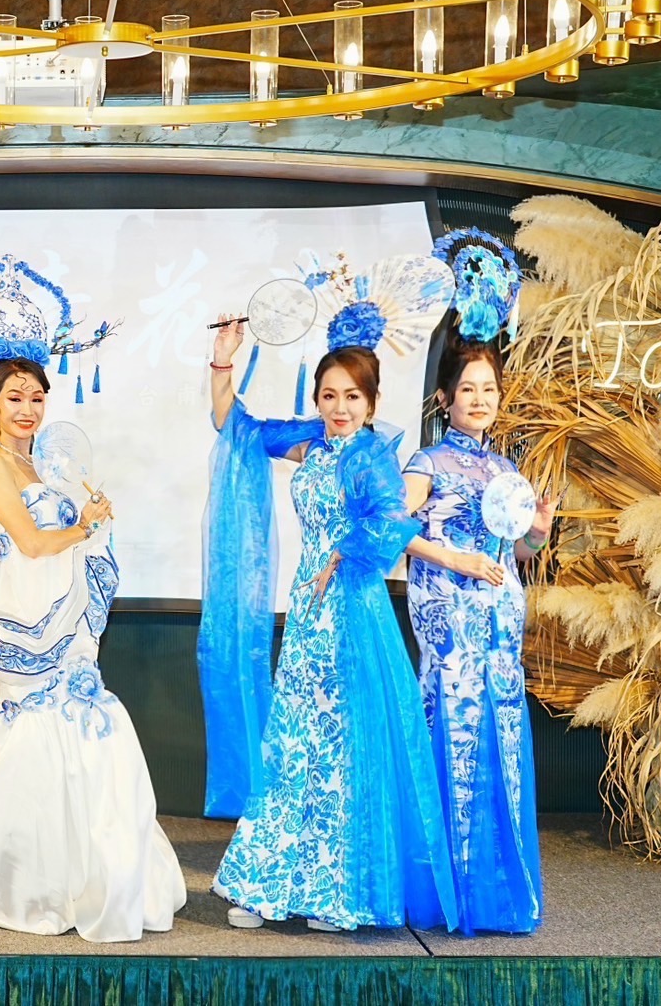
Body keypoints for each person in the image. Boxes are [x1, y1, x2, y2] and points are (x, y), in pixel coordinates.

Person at [208, 319, 458, 933]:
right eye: (329, 395)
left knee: (342, 747)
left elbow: (392, 519)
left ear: (372, 401)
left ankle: (335, 890)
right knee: (293, 742)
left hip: (351, 615)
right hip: (308, 613)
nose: (339, 407)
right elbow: (236, 426)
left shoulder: (371, 456)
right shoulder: (313, 444)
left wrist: (343, 552)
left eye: (352, 396)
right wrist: (222, 362)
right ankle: (267, 885)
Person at [0, 357, 187, 942]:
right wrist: (82, 528)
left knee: (86, 736)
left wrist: (89, 520)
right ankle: (37, 885)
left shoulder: (43, 464)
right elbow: (30, 543)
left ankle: (91, 879)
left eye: (36, 398)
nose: (27, 409)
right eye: (15, 398)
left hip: (67, 614)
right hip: (28, 619)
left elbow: (58, 540)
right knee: (40, 736)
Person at [404, 338, 554, 935]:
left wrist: (537, 532)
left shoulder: (506, 472)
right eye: (467, 388)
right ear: (445, 398)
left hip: (500, 621)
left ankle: (489, 893)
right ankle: (445, 893)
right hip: (449, 616)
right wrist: (454, 559)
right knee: (455, 725)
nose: (479, 398)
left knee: (499, 735)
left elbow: (515, 554)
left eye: (488, 388)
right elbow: (390, 528)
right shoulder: (426, 464)